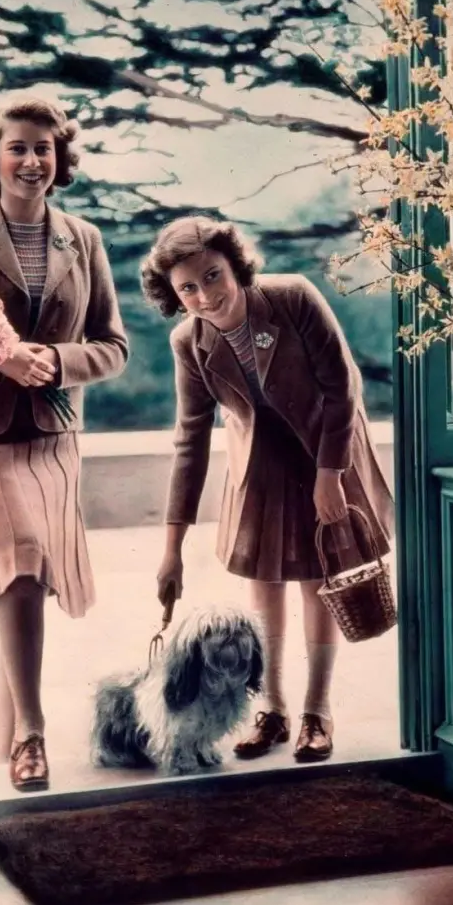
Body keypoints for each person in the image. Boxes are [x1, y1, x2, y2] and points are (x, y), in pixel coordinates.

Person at [141, 215, 394, 763]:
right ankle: (272, 711)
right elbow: (190, 440)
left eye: (213, 276)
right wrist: (170, 549)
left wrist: (330, 478)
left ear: (236, 266)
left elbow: (341, 388)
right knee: (264, 586)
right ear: (173, 294)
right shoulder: (188, 341)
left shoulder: (293, 296)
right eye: (188, 287)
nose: (205, 295)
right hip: (257, 467)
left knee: (317, 581)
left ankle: (316, 713)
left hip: (327, 446)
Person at [0, 96, 129, 791]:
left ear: (61, 159)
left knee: (26, 586)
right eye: (17, 146)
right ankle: (32, 735)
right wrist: (0, 359)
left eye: (45, 148)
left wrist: (55, 359)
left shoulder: (86, 240)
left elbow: (113, 347)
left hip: (52, 441)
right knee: (17, 569)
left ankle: (2, 751)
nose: (32, 160)